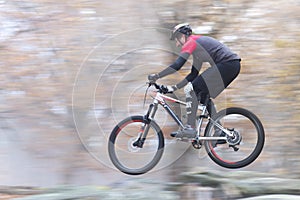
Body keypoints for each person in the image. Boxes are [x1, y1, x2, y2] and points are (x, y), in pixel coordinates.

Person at [148, 23, 241, 139]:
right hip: (231, 66)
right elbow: (193, 74)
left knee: (191, 89)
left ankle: (190, 128)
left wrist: (157, 76)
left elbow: (177, 65)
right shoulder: (198, 51)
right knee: (203, 95)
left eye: (177, 40)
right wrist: (173, 88)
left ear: (183, 36)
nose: (177, 44)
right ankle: (219, 130)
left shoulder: (191, 41)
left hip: (228, 64)